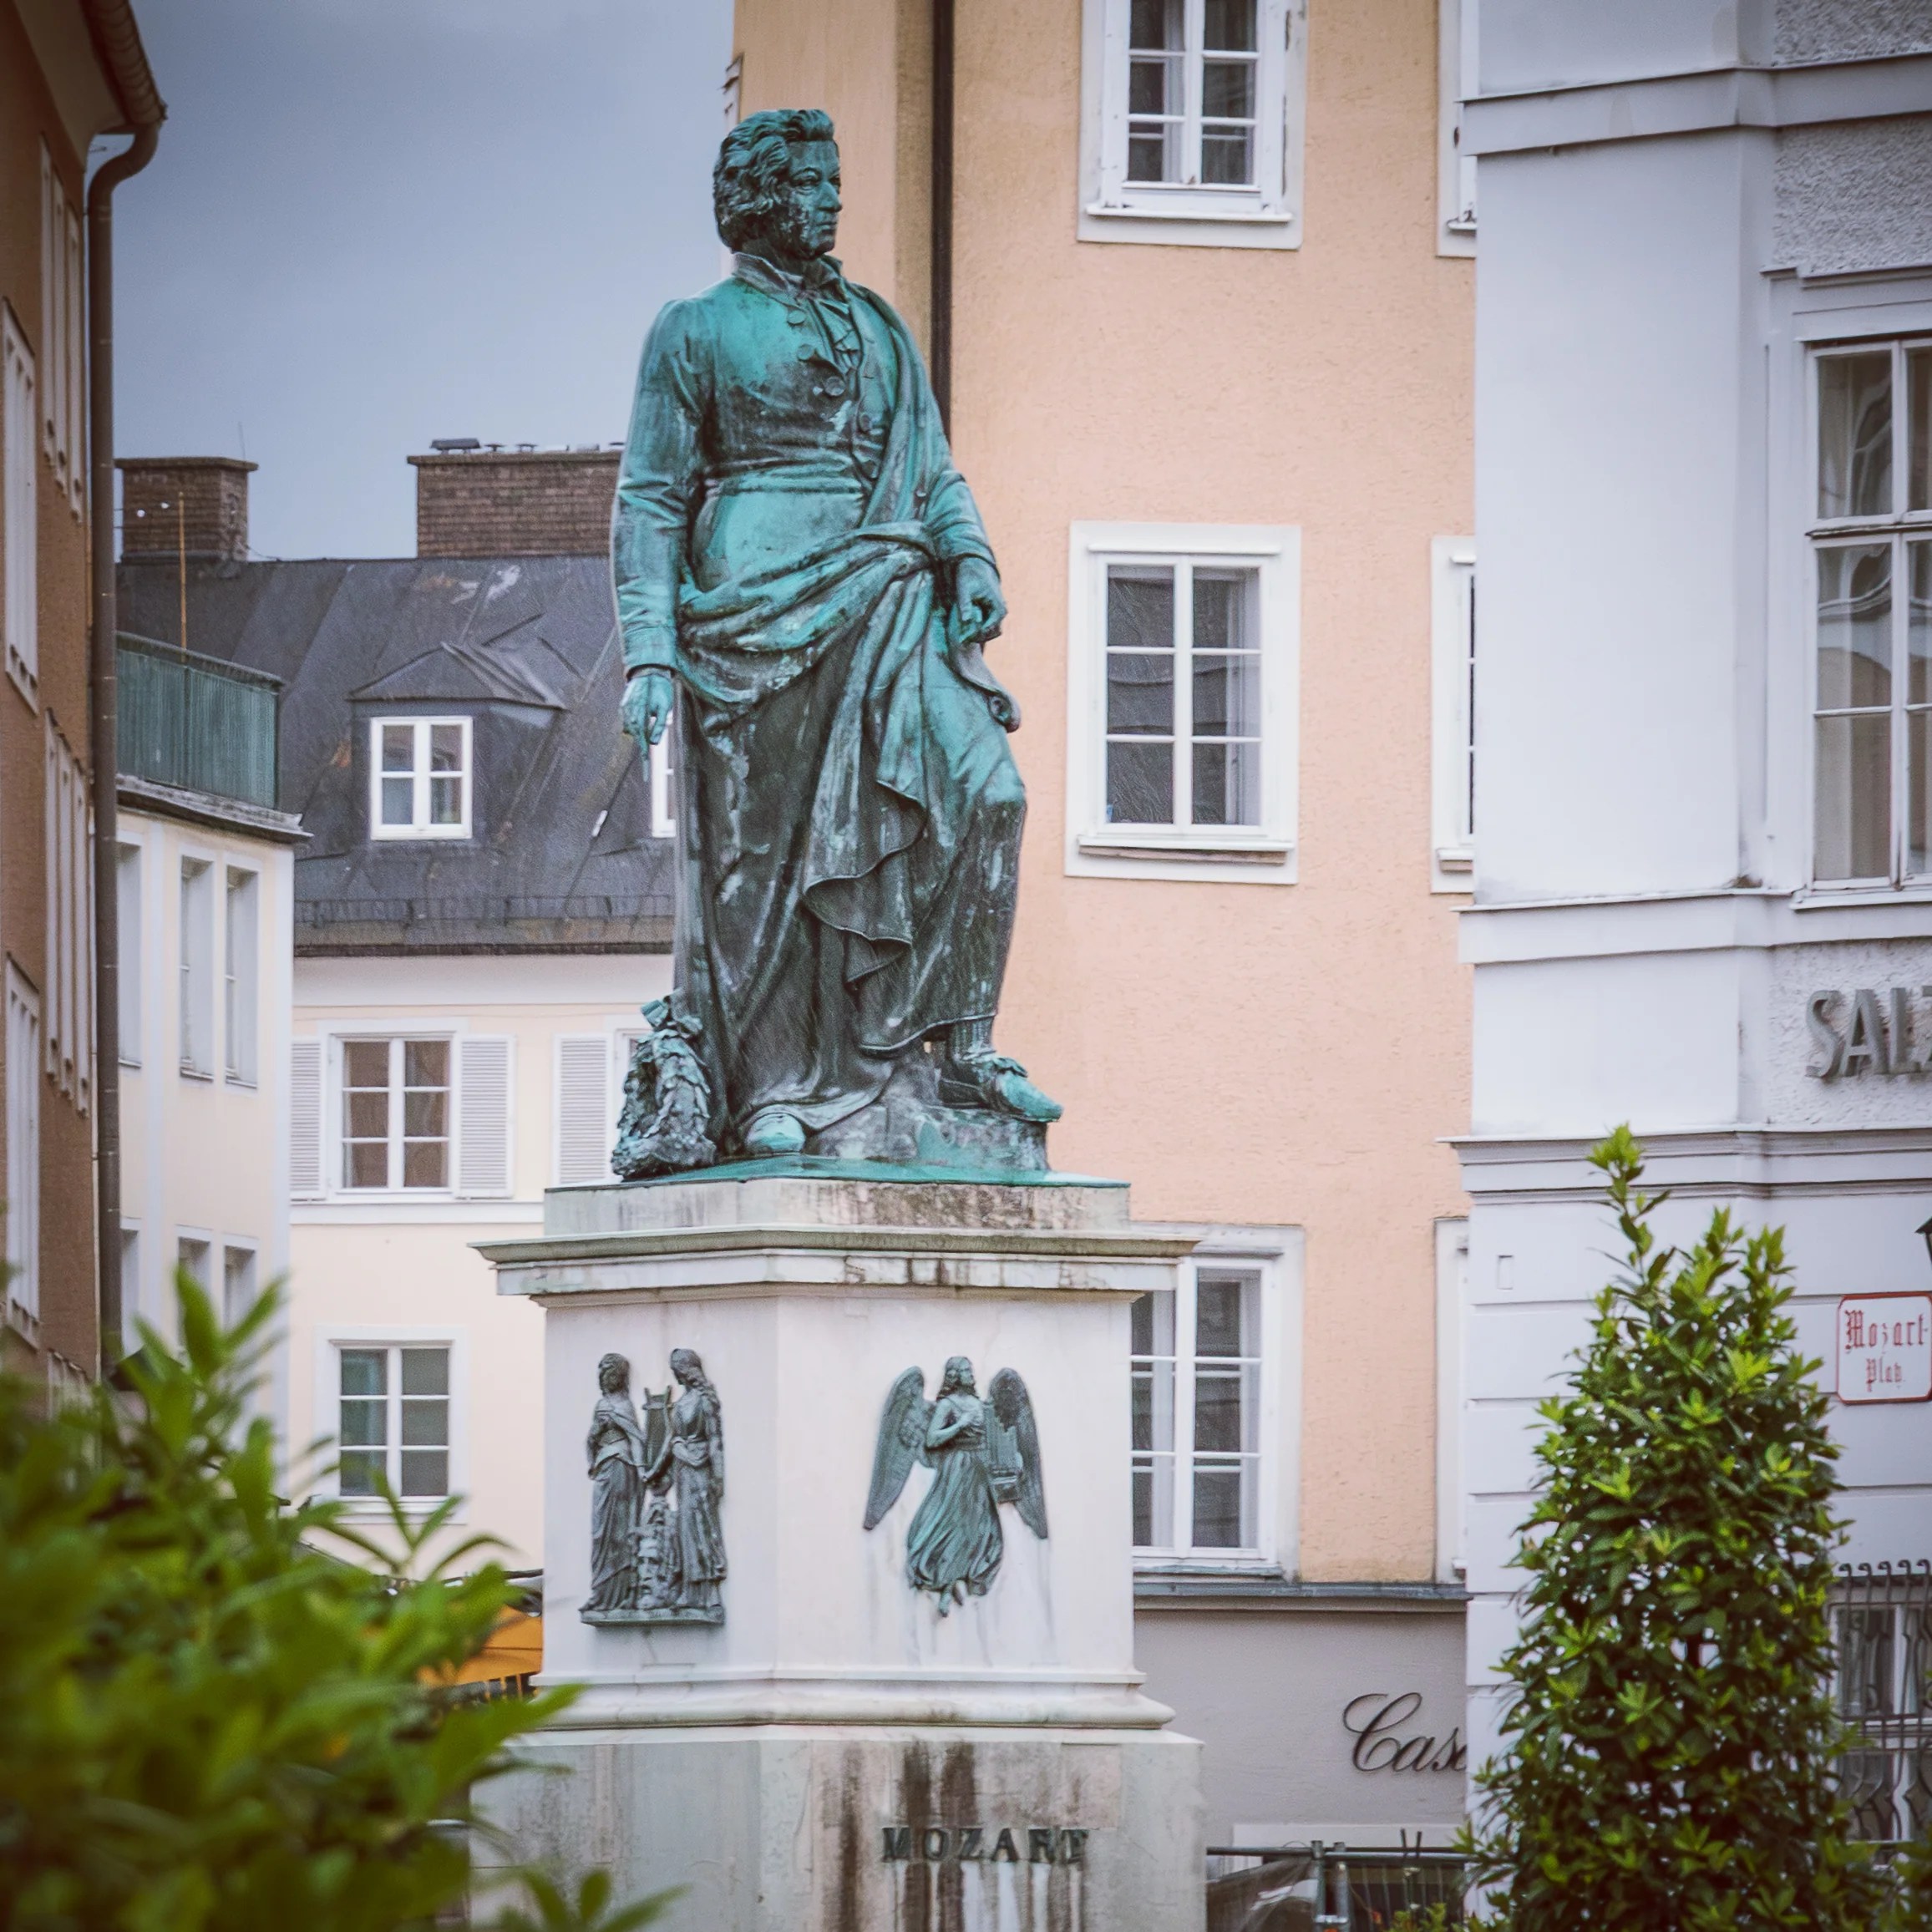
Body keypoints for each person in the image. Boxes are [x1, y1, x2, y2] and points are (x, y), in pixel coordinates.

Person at [612, 108, 1060, 1159]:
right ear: (760, 197)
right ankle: (774, 1086)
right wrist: (649, 648)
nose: (832, 199)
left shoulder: (880, 324)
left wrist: (971, 557)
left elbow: (934, 467)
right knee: (765, 865)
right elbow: (650, 496)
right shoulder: (694, 328)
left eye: (833, 179)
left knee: (987, 793)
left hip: (894, 592)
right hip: (751, 613)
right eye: (811, 182)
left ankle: (960, 1046)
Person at [905, 1356, 1002, 1610]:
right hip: (959, 1466)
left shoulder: (979, 1404)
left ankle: (959, 1577)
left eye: (971, 1370)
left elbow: (993, 1436)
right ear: (955, 1376)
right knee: (953, 1523)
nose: (972, 1375)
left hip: (980, 1467)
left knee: (978, 1525)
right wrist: (959, 1425)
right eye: (966, 1371)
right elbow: (932, 1439)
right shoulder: (948, 1405)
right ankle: (946, 1583)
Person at [644, 1347, 726, 1612]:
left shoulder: (704, 1400)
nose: (675, 1376)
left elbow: (715, 1440)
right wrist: (653, 1472)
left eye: (676, 1370)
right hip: (683, 1473)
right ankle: (690, 1591)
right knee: (686, 1530)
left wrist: (718, 1477)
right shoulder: (680, 1404)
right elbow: (670, 1442)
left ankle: (709, 1593)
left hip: (700, 1471)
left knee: (702, 1528)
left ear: (686, 1370)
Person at [584, 1352, 650, 1615]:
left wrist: (642, 1470)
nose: (606, 1379)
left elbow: (636, 1438)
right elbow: (591, 1442)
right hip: (603, 1468)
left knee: (619, 1531)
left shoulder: (625, 1406)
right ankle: (601, 1592)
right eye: (603, 1375)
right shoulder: (600, 1405)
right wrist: (597, 1432)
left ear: (619, 1377)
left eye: (610, 1374)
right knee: (600, 1532)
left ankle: (621, 1594)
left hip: (621, 1467)